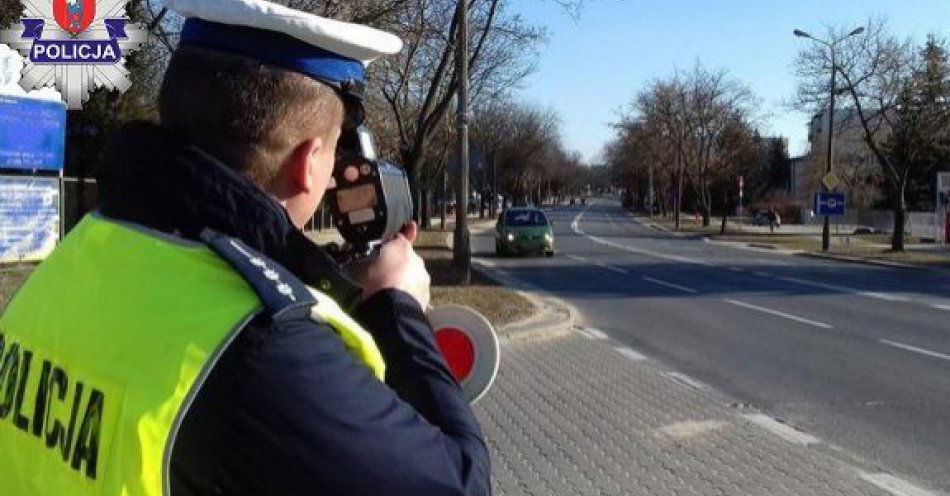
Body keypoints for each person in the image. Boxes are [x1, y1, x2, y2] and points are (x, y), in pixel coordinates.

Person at [0, 0, 490, 495]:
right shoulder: (264, 342)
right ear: (308, 160)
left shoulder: (78, 252)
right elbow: (458, 485)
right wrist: (397, 305)